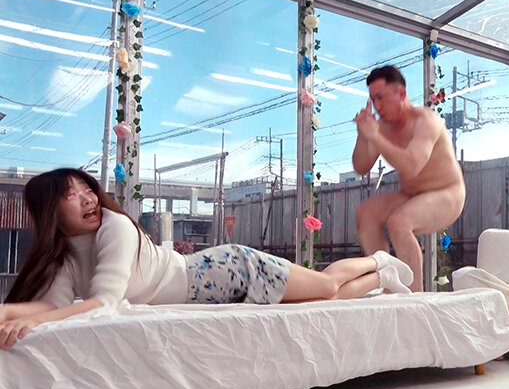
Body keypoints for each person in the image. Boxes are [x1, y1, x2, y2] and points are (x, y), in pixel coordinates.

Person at [0, 168, 414, 349]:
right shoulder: (63, 256)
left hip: (227, 270)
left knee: (326, 286)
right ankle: (382, 279)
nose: (88, 197)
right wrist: (11, 313)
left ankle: (377, 261)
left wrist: (32, 320)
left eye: (86, 188)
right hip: (212, 288)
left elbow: (104, 302)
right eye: (71, 195)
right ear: (50, 211)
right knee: (329, 299)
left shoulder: (116, 226)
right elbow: (53, 306)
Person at [352, 65, 465, 292]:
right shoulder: (381, 128)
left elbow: (412, 165)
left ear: (401, 93)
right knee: (367, 213)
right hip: (410, 195)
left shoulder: (426, 120)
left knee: (399, 222)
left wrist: (375, 137)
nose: (377, 106)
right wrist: (363, 137)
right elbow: (361, 167)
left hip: (447, 193)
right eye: (373, 99)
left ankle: (414, 297)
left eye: (381, 97)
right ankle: (385, 285)